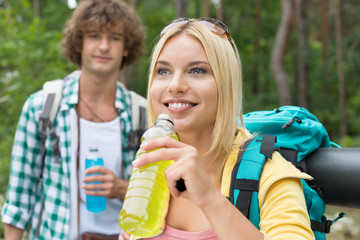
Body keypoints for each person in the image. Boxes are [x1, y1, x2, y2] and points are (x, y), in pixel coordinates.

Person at [119, 18, 315, 240]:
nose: (175, 85)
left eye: (197, 71)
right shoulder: (151, 167)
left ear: (226, 82)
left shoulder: (270, 174)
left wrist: (210, 199)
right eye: (163, 71)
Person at [1, 0, 145, 239]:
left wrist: (122, 188)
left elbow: (163, 199)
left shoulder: (141, 114)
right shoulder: (43, 107)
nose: (104, 46)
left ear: (127, 47)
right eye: (94, 35)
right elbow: (18, 202)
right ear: (79, 43)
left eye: (115, 38)